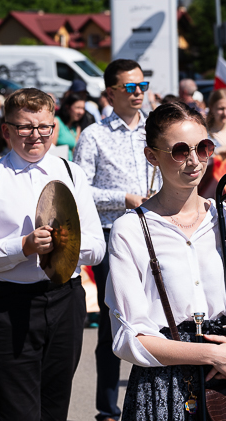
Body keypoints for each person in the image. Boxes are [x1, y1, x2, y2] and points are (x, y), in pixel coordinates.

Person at [105, 100, 226, 421]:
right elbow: (129, 337)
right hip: (164, 383)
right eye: (179, 150)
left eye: (203, 147)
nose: (194, 160)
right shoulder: (131, 229)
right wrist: (210, 354)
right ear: (152, 156)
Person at [0, 88, 105, 421]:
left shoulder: (72, 173)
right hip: (8, 304)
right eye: (25, 127)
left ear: (54, 126)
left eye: (44, 127)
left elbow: (97, 248)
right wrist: (23, 246)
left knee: (55, 408)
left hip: (65, 299)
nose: (36, 135)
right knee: (17, 411)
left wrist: (66, 244)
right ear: (6, 130)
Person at [74, 59, 160, 421]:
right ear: (110, 93)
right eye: (130, 87)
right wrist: (122, 198)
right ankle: (108, 407)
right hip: (113, 234)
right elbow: (79, 191)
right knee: (117, 318)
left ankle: (160, 397)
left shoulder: (155, 130)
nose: (138, 92)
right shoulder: (94, 135)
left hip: (156, 231)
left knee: (159, 315)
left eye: (142, 85)